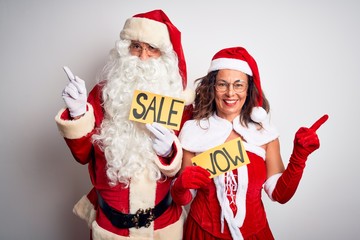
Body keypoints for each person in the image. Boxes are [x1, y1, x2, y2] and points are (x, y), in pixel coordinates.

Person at [55, 9, 194, 240]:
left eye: (152, 49)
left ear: (165, 57)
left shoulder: (178, 103)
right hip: (110, 229)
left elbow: (188, 175)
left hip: (162, 228)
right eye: (136, 46)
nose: (142, 57)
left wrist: (169, 153)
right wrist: (78, 112)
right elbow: (83, 155)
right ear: (125, 50)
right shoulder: (104, 94)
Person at [170, 46, 328, 239]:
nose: (230, 93)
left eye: (238, 85)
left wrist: (299, 157)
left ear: (248, 89)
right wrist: (180, 186)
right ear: (212, 87)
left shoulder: (264, 133)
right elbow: (184, 198)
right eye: (222, 84)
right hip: (202, 233)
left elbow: (280, 195)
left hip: (255, 234)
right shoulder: (193, 131)